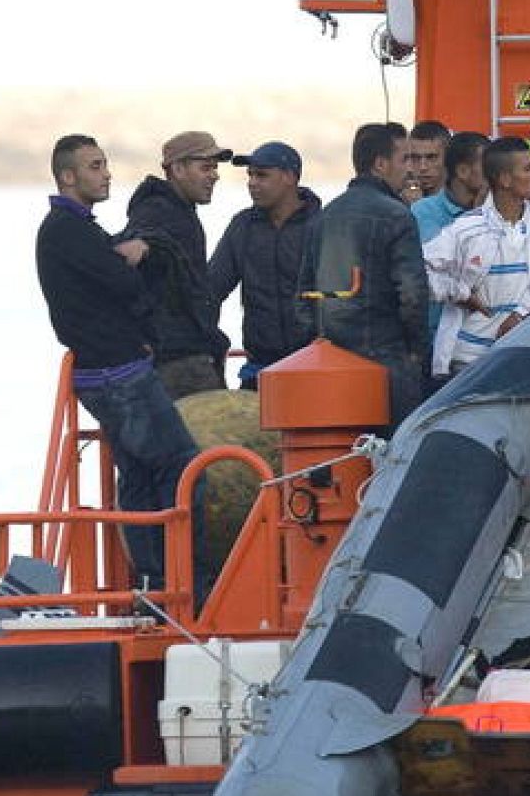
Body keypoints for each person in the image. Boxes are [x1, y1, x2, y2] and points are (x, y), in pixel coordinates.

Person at [34, 134, 202, 597]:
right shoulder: (67, 230)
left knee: (140, 473)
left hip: (106, 369)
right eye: (94, 165)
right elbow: (122, 286)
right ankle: (179, 580)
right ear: (68, 176)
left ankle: (153, 581)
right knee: (185, 467)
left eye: (104, 163)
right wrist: (139, 255)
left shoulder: (73, 230)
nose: (106, 173)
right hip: (117, 373)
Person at [297, 122, 432, 428]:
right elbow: (412, 292)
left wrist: (316, 344)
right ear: (381, 164)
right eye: (404, 159)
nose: (410, 169)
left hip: (332, 364)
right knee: (393, 460)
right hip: (388, 362)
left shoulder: (324, 216)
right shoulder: (397, 215)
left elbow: (303, 293)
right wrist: (416, 353)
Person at [422, 137, 530, 377]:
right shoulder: (466, 229)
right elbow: (421, 271)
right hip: (468, 362)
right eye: (527, 169)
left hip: (522, 357)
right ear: (504, 180)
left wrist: (521, 313)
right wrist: (459, 292)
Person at [124, 131, 234, 399]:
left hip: (185, 356)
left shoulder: (180, 212)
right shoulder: (158, 211)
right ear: (178, 169)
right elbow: (144, 241)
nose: (214, 175)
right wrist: (149, 246)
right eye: (205, 167)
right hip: (178, 362)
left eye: (215, 168)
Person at [207, 141, 323, 389]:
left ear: (290, 177)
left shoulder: (323, 226)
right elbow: (211, 288)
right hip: (260, 368)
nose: (252, 182)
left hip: (314, 364)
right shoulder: (243, 227)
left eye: (261, 175)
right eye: (250, 175)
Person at [413, 131, 491, 243]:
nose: (495, 172)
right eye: (487, 165)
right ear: (462, 171)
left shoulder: (494, 206)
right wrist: (476, 216)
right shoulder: (423, 211)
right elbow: (442, 255)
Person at [405, 120, 451, 203]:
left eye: (431, 157)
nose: (423, 167)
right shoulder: (396, 199)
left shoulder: (465, 201)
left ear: (448, 157)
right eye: (415, 157)